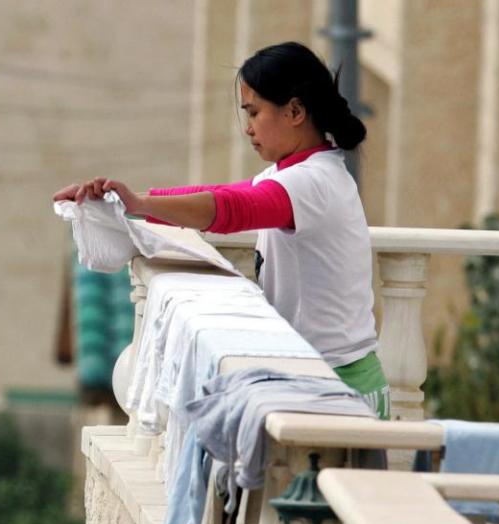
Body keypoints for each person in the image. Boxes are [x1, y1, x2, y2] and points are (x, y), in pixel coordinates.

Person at [53, 41, 389, 419]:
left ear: (295, 111)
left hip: (340, 389)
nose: (248, 129)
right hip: (319, 381)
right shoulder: (294, 174)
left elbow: (233, 209)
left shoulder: (314, 182)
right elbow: (220, 195)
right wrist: (124, 203)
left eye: (254, 112)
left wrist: (138, 205)